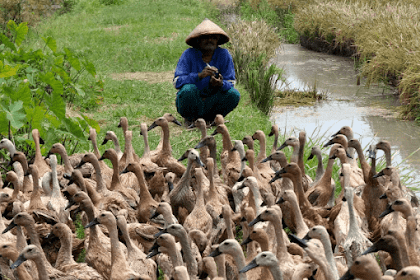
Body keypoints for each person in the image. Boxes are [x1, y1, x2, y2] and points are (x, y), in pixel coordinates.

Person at [173, 18, 241, 126]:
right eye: (205, 38)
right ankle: (191, 120)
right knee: (187, 90)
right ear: (198, 40)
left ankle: (212, 119)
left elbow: (231, 82)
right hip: (194, 100)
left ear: (217, 40)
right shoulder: (188, 54)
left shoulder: (224, 55)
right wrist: (199, 76)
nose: (210, 40)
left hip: (213, 101)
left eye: (213, 38)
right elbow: (177, 81)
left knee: (234, 94)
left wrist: (220, 84)